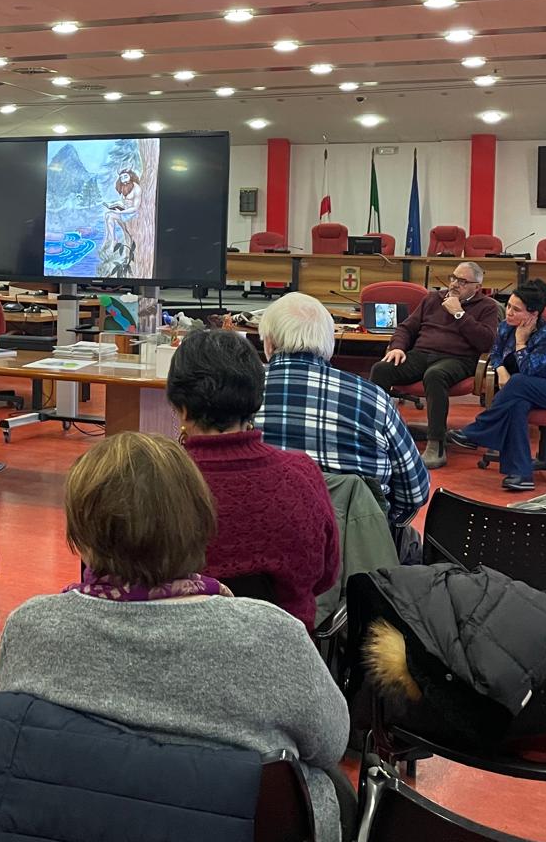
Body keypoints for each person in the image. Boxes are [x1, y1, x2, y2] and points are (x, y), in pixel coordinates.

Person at [0, 432, 352, 842]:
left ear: (82, 540)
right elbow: (331, 743)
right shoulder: (273, 636)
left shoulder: (31, 629)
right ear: (199, 525)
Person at [165, 328, 338, 628]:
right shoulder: (301, 474)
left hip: (173, 646)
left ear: (181, 408)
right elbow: (325, 576)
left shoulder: (153, 483)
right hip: (284, 646)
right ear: (256, 398)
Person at [258, 293, 429, 536]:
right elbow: (415, 493)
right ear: (328, 344)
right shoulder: (374, 399)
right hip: (357, 547)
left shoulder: (236, 397)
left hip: (263, 540)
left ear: (269, 343)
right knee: (408, 537)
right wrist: (378, 525)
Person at [368, 261, 502, 467]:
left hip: (459, 359)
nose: (455, 284)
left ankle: (436, 444)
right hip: (421, 354)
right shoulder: (432, 299)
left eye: (463, 281)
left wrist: (459, 314)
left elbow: (486, 342)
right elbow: (406, 328)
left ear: (477, 287)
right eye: (453, 278)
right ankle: (375, 432)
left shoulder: (487, 307)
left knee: (435, 374)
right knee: (382, 369)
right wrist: (397, 347)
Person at [448, 279, 546, 491]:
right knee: (516, 406)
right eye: (508, 306)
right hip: (520, 391)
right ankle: (521, 475)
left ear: (533, 314)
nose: (509, 313)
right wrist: (501, 370)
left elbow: (529, 371)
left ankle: (477, 431)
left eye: (516, 310)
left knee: (518, 382)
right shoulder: (506, 327)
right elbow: (495, 353)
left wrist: (521, 342)